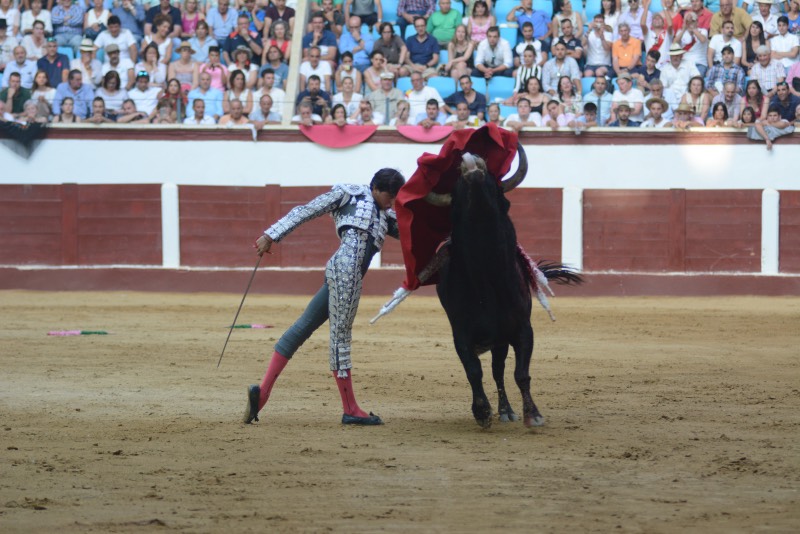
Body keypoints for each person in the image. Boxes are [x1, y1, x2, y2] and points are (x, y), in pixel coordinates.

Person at [243, 169, 406, 426]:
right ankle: (350, 408)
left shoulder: (387, 215)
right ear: (375, 187)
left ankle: (261, 394)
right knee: (340, 337)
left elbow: (413, 232)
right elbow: (308, 210)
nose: (392, 201)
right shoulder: (348, 194)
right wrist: (271, 234)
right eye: (389, 195)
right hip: (347, 273)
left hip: (342, 273)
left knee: (302, 327)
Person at [675, 10, 709, 77]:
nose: (690, 23)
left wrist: (693, 29)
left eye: (692, 21)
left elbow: (702, 40)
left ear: (697, 22)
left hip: (700, 63)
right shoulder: (681, 32)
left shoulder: (703, 31)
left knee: (696, 82)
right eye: (688, 21)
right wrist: (683, 29)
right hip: (685, 63)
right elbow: (674, 44)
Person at [583, 13, 613, 78]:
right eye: (596, 22)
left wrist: (602, 37)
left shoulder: (608, 34)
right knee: (588, 74)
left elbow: (607, 48)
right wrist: (588, 30)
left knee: (599, 72)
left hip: (604, 64)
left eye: (600, 22)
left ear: (604, 23)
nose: (598, 24)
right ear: (593, 22)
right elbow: (582, 44)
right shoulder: (589, 34)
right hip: (590, 64)